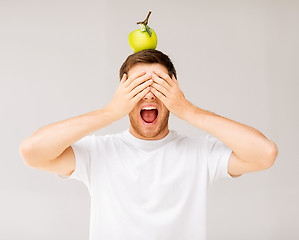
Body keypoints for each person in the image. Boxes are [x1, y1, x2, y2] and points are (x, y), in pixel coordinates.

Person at [19, 49, 278, 240]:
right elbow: (32, 152)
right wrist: (110, 112)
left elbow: (264, 154)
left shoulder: (201, 153)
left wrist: (188, 110)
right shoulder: (98, 153)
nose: (150, 93)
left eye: (159, 84)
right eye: (138, 85)